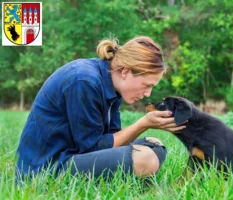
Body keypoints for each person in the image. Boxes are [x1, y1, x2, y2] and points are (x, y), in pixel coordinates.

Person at [15, 36, 186, 181]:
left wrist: (144, 130)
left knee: (156, 147)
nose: (148, 93)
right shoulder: (84, 81)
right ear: (126, 72)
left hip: (75, 155)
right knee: (146, 158)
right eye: (146, 85)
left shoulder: (112, 85)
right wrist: (142, 124)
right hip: (45, 169)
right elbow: (91, 148)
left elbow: (112, 140)